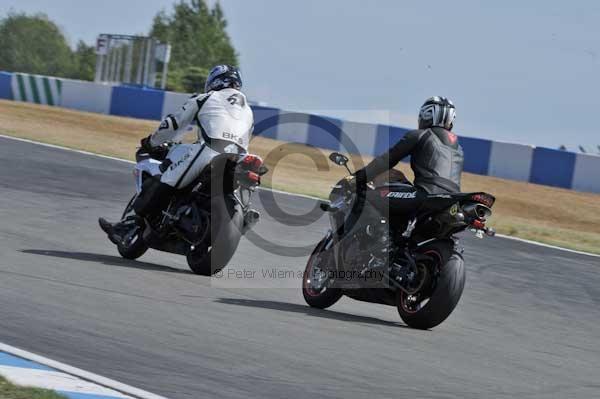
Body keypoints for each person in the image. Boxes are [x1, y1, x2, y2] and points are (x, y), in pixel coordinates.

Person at [99, 65, 253, 243]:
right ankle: (241, 217)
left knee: (167, 181)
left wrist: (151, 142)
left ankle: (127, 226)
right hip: (240, 157)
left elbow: (173, 124)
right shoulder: (248, 111)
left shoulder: (206, 98)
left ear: (215, 81)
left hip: (210, 150)